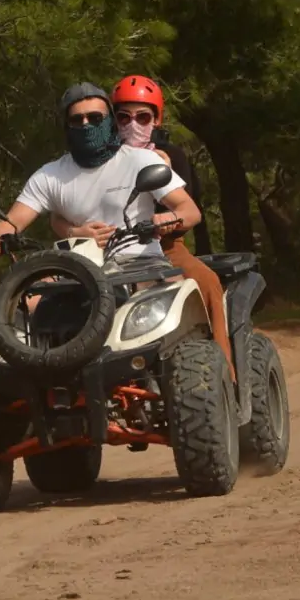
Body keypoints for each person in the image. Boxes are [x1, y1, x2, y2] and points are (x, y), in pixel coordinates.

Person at [51, 75, 235, 381]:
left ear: (157, 119)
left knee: (207, 282)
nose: (132, 124)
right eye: (123, 117)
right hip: (94, 252)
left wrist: (164, 212)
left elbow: (187, 209)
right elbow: (57, 215)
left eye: (142, 117)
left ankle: (224, 376)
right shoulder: (92, 158)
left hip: (163, 248)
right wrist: (75, 232)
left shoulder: (171, 156)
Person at [0, 81, 203, 277]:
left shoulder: (142, 160)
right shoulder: (48, 175)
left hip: (141, 265)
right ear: (66, 126)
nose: (86, 125)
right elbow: (12, 221)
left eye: (95, 118)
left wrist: (166, 220)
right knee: (27, 304)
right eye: (77, 120)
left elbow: (190, 211)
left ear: (110, 122)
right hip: (78, 273)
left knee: (176, 300)